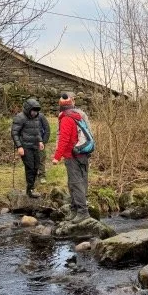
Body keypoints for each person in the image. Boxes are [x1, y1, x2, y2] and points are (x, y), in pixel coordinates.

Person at [52, 92, 91, 223]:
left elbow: (64, 139)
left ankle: (82, 212)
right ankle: (75, 209)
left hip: (72, 154)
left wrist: (57, 157)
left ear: (61, 106)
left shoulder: (66, 118)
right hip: (83, 153)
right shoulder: (79, 115)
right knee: (80, 181)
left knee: (75, 183)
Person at [11, 98, 44, 198]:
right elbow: (14, 133)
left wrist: (40, 141)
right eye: (33, 110)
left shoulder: (36, 117)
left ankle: (32, 187)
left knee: (36, 166)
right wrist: (19, 146)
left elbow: (37, 130)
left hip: (35, 146)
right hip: (25, 147)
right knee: (30, 167)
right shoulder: (20, 117)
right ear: (28, 109)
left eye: (36, 110)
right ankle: (30, 190)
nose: (35, 113)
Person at [37, 111, 51, 184]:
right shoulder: (25, 116)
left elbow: (47, 129)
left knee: (41, 159)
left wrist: (44, 141)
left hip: (40, 142)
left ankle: (42, 176)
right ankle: (33, 175)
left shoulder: (41, 116)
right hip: (29, 142)